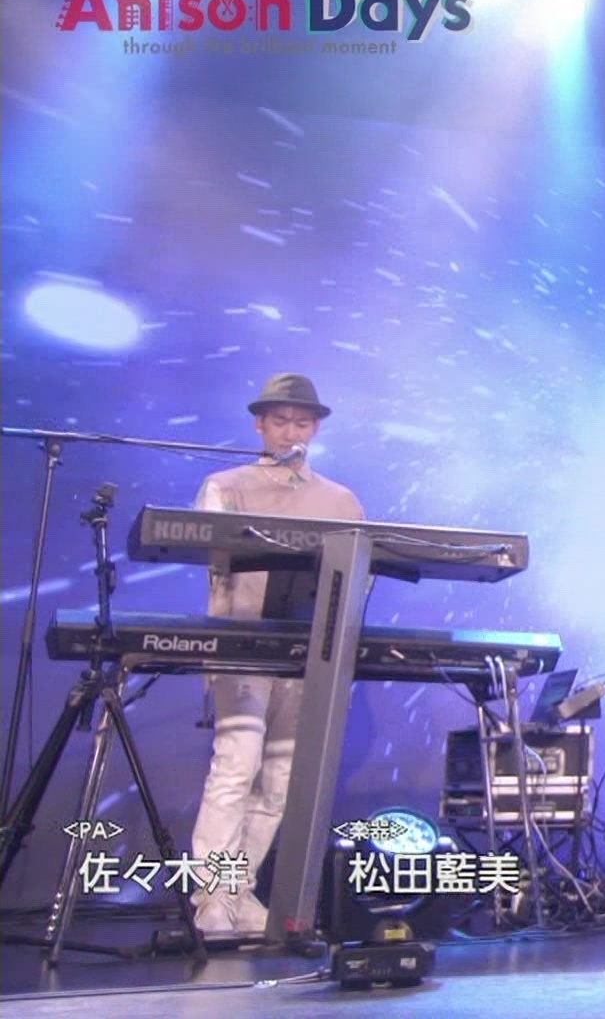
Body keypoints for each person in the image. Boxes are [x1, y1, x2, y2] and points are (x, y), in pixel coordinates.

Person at [188, 374, 364, 935]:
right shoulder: (226, 484)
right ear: (260, 425)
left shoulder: (340, 499)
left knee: (281, 780)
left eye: (301, 423)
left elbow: (356, 578)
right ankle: (212, 898)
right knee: (236, 765)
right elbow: (207, 557)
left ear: (315, 430)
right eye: (280, 421)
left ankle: (240, 892)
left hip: (307, 654)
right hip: (243, 647)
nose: (291, 432)